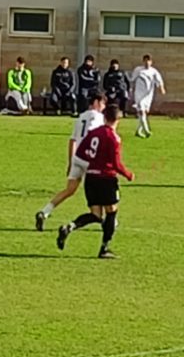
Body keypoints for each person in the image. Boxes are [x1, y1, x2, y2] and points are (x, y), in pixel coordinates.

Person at [56, 104, 134, 260]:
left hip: (91, 178)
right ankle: (104, 249)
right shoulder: (114, 138)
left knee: (96, 215)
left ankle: (69, 227)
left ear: (105, 117)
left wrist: (92, 162)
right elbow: (116, 163)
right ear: (118, 119)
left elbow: (80, 151)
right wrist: (128, 174)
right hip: (106, 179)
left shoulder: (93, 133)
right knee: (111, 212)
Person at [35, 91, 107, 232]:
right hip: (89, 159)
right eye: (103, 103)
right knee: (101, 187)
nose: (104, 107)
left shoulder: (80, 117)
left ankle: (44, 212)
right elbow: (94, 135)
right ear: (97, 102)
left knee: (70, 190)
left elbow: (72, 140)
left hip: (77, 158)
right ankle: (107, 220)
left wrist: (70, 161)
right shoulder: (98, 117)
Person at [130, 55, 166, 139]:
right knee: (142, 112)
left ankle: (138, 131)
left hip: (148, 95)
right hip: (139, 95)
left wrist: (162, 88)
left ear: (151, 62)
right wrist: (130, 90)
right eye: (145, 61)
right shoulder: (138, 70)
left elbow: (159, 81)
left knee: (145, 112)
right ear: (143, 61)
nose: (147, 62)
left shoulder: (154, 71)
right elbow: (132, 80)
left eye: (148, 61)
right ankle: (146, 131)